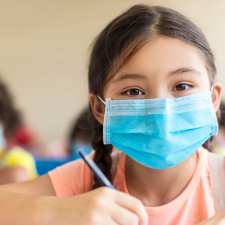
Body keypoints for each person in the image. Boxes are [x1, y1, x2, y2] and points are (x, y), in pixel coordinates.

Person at [0, 4, 224, 225]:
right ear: (100, 108)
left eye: (182, 86)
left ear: (213, 98)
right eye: (133, 91)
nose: (161, 109)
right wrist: (55, 212)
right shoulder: (86, 181)